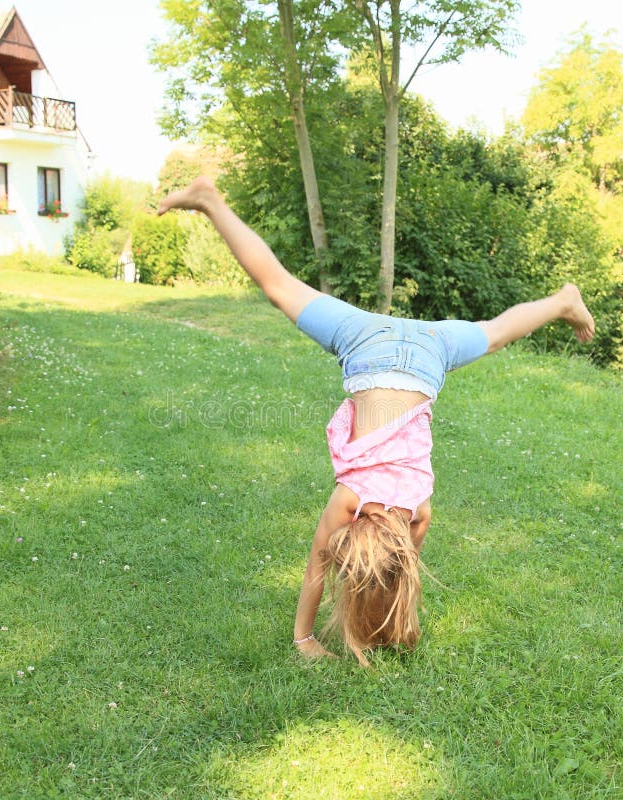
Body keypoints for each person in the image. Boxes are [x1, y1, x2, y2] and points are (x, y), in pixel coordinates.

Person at [158, 177, 595, 666]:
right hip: (371, 347)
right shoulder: (349, 503)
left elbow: (399, 565)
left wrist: (319, 638)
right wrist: (303, 638)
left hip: (427, 352)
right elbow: (316, 571)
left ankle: (561, 301)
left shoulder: (419, 513)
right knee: (280, 288)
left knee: (492, 335)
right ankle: (211, 199)